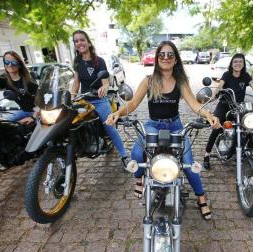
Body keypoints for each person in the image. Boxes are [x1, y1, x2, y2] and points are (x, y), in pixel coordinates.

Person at [106, 40, 220, 220]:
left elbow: (194, 104)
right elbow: (133, 103)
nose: (166, 58)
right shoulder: (148, 81)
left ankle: (201, 197)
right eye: (162, 55)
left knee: (189, 164)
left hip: (175, 126)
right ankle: (139, 179)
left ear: (175, 60)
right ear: (157, 59)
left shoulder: (181, 82)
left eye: (170, 55)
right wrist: (117, 114)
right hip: (153, 124)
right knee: (136, 154)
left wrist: (208, 115)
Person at [71, 30, 129, 169]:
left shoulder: (99, 61)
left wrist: (104, 87)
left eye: (82, 40)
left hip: (99, 99)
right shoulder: (77, 61)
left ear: (88, 42)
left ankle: (125, 156)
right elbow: (76, 82)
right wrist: (72, 96)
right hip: (84, 100)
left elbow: (105, 81)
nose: (79, 43)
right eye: (76, 41)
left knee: (109, 126)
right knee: (71, 122)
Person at [203, 53, 253, 169]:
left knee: (247, 127)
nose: (238, 64)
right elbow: (219, 86)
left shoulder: (245, 76)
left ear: (243, 64)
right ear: (232, 63)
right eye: (235, 62)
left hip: (238, 107)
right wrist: (214, 95)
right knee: (216, 127)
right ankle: (207, 155)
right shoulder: (227, 75)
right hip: (224, 105)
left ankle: (240, 152)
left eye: (240, 62)